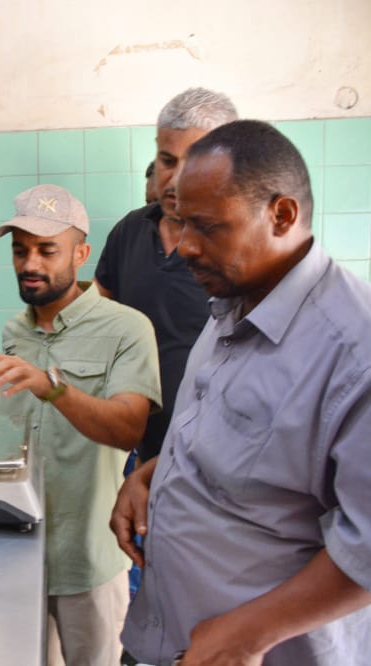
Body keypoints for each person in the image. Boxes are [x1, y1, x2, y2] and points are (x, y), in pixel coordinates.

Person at [111, 120, 371, 666]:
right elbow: (248, 446)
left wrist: (248, 635)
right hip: (166, 638)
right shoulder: (233, 302)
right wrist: (152, 474)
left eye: (207, 227)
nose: (185, 247)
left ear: (282, 215)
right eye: (181, 222)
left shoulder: (353, 353)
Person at [0, 184, 161, 666]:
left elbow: (128, 428)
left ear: (80, 254)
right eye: (20, 251)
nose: (30, 264)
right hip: (15, 550)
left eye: (47, 250)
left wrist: (51, 386)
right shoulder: (15, 331)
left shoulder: (127, 328)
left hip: (86, 559)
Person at [95, 87, 238, 463]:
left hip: (218, 460)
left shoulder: (244, 249)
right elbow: (95, 318)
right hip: (142, 453)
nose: (175, 180)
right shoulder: (130, 230)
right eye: (167, 160)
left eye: (195, 162)